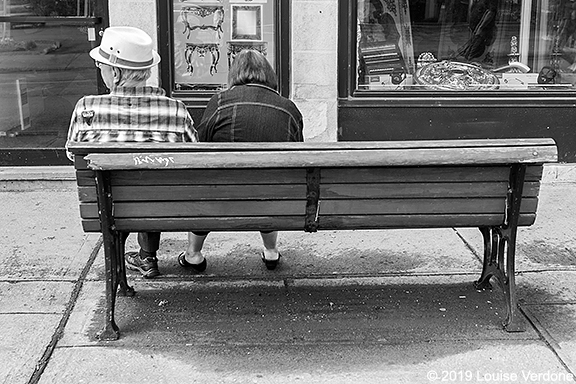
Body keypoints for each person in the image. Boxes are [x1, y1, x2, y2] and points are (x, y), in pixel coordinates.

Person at [66, 26, 198, 278]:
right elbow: (195, 154)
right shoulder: (176, 111)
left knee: (117, 192)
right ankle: (147, 256)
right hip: (162, 207)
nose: (100, 70)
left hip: (106, 207)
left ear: (115, 72)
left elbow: (73, 155)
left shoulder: (86, 110)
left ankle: (120, 261)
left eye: (102, 65)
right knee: (150, 186)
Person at [178, 49, 304, 271]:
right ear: (269, 75)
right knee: (267, 186)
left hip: (222, 196)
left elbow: (200, 148)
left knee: (204, 188)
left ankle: (193, 254)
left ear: (234, 74)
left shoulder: (219, 102)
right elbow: (297, 155)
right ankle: (271, 252)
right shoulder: (288, 108)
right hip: (273, 198)